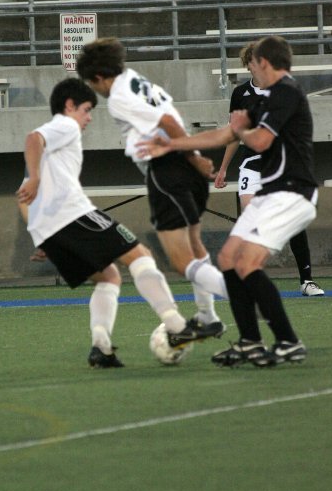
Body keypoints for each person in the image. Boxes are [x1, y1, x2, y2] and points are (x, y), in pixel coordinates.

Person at [137, 36, 318, 367]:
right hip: (271, 192)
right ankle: (250, 342)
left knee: (247, 263)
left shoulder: (287, 93)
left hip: (294, 192)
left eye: (253, 63)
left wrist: (241, 130)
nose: (249, 67)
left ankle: (289, 341)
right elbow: (224, 135)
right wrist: (173, 147)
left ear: (264, 63)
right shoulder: (263, 98)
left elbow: (260, 141)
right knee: (229, 258)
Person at [16, 77, 215, 369]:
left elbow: (22, 196)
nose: (88, 118)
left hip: (50, 227)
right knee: (141, 256)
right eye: (86, 110)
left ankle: (101, 348)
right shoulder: (65, 125)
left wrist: (42, 235)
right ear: (69, 106)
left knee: (109, 277)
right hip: (74, 214)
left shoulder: (52, 150)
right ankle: (176, 325)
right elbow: (33, 138)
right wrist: (35, 178)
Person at [76, 37, 228, 338]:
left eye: (91, 84)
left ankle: (251, 298)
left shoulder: (118, 97)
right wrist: (194, 158)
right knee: (195, 248)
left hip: (168, 169)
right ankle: (207, 316)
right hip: (183, 168)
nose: (94, 90)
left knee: (180, 260)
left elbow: (168, 122)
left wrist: (194, 158)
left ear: (97, 78)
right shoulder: (134, 78)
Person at [214, 42, 324, 297]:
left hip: (281, 166)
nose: (256, 67)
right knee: (248, 216)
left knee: (293, 222)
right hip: (252, 164)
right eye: (251, 63)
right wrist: (222, 169)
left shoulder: (284, 91)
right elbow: (233, 134)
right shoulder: (241, 93)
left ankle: (306, 280)